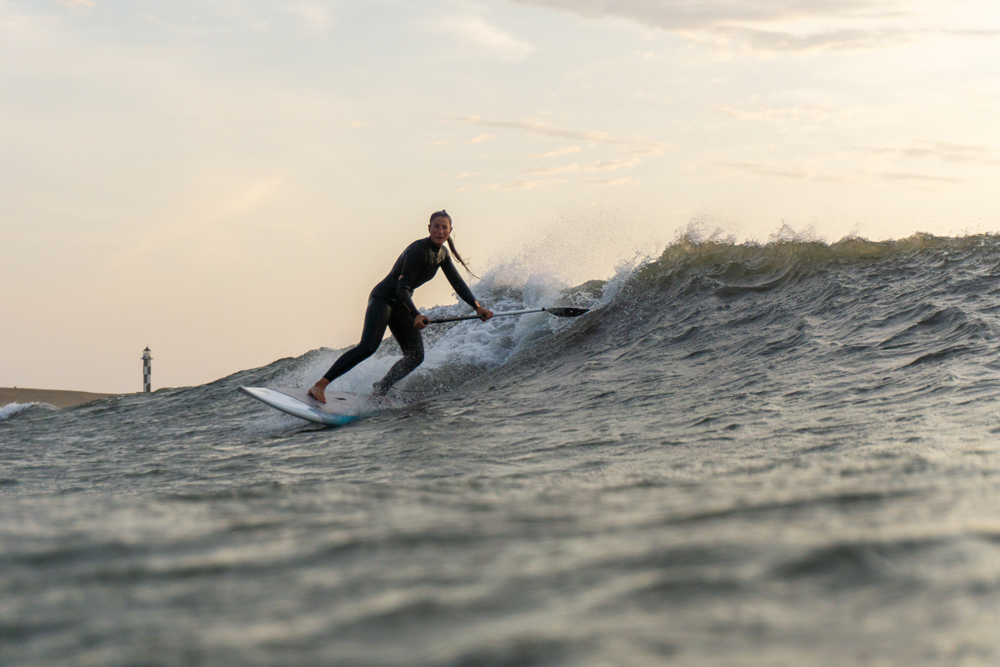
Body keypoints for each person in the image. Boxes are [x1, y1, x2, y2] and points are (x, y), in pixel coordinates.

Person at [308, 210, 493, 403]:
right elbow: (401, 288)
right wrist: (416, 314)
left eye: (444, 227)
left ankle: (380, 389)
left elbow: (458, 283)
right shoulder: (417, 251)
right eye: (436, 226)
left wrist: (477, 307)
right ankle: (320, 385)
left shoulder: (443, 255)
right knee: (368, 347)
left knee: (415, 356)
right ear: (429, 228)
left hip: (400, 305)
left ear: (450, 230)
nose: (440, 231)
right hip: (384, 299)